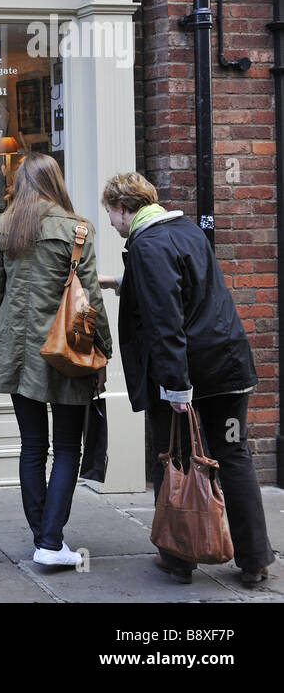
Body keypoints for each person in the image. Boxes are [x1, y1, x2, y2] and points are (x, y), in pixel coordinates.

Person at [99, 172, 275, 587]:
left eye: (110, 212)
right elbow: (183, 286)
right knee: (234, 456)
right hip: (230, 371)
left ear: (125, 208)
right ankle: (255, 560)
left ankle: (178, 559)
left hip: (188, 376)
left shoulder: (146, 246)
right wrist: (120, 282)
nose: (109, 221)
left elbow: (166, 319)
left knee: (173, 458)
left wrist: (177, 388)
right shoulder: (185, 230)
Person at [0, 153, 111, 567]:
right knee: (67, 446)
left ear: (20, 184)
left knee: (32, 446)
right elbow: (90, 299)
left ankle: (44, 538)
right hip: (66, 352)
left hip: (17, 354)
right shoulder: (77, 229)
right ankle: (51, 541)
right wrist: (103, 349)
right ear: (55, 182)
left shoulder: (4, 227)